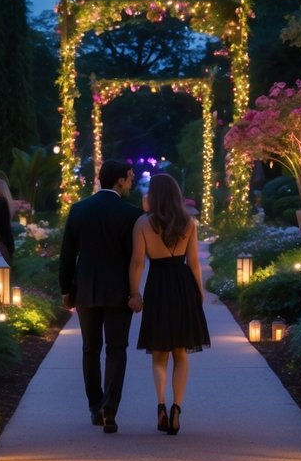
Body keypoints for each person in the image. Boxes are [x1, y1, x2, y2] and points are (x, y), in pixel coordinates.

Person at [59, 159, 142, 433]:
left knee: (90, 348)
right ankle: (110, 407)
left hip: (86, 287)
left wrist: (65, 290)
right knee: (117, 349)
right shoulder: (130, 215)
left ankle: (95, 406)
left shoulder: (80, 210)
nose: (131, 182)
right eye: (129, 177)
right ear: (119, 180)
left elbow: (68, 254)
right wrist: (134, 292)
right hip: (118, 289)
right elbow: (134, 259)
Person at [129, 173, 209, 436]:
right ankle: (177, 408)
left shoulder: (143, 223)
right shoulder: (189, 223)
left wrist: (135, 293)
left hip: (158, 285)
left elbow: (138, 262)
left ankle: (161, 403)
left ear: (153, 195)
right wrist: (199, 291)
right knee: (181, 352)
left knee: (159, 353)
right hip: (183, 284)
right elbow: (194, 263)